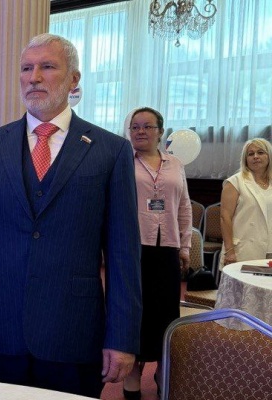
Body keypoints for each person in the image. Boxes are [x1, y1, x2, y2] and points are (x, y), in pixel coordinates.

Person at [0, 33, 142, 398]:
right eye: (26, 68)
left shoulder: (111, 151)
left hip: (73, 333)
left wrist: (123, 337)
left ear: (73, 78)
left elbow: (124, 255)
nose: (34, 77)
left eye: (47, 66)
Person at [123, 107, 192, 399]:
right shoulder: (123, 161)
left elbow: (184, 206)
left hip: (168, 250)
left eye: (147, 126)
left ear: (160, 132)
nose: (140, 131)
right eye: (135, 127)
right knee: (135, 314)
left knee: (165, 313)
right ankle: (132, 375)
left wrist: (185, 247)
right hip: (132, 249)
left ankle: (163, 371)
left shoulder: (175, 164)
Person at [220, 138, 272, 268]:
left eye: (260, 152)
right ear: (245, 159)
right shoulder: (235, 182)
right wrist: (229, 251)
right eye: (250, 154)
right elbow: (225, 217)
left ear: (269, 156)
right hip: (243, 250)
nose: (255, 156)